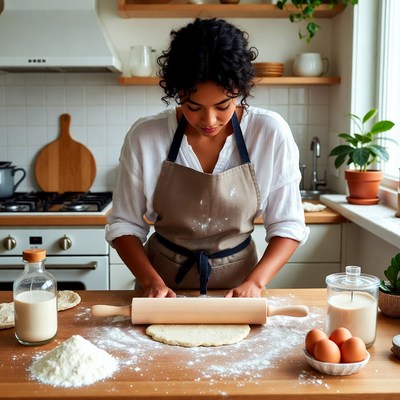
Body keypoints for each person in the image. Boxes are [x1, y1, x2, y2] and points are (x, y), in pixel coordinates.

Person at [105, 18, 309, 298]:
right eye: (193, 106)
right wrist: (151, 282)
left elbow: (288, 224)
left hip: (240, 287)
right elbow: (124, 224)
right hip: (163, 288)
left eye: (223, 105)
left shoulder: (269, 132)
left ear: (241, 90)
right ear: (177, 93)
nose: (209, 120)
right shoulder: (146, 136)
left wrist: (256, 283)